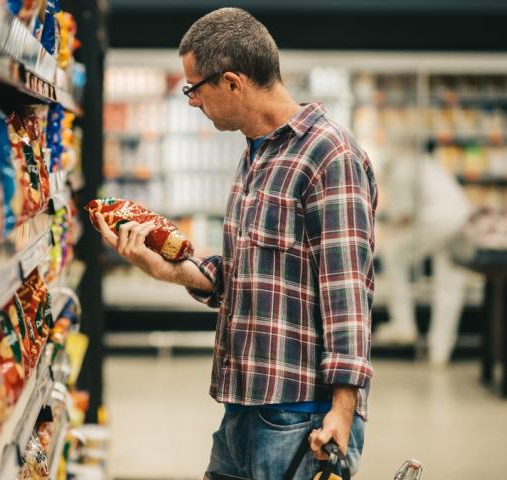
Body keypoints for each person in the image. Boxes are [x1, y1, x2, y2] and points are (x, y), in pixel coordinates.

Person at [94, 8, 377, 480]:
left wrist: (344, 410)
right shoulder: (258, 154)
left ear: (231, 83)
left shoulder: (329, 155)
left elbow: (347, 293)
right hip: (244, 405)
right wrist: (167, 268)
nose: (190, 102)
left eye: (193, 89)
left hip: (300, 414)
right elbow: (245, 276)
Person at [375, 149, 471, 366]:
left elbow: (404, 216)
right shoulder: (425, 163)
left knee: (393, 256)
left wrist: (381, 224)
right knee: (449, 286)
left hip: (435, 220)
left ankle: (404, 324)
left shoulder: (400, 170)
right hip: (461, 219)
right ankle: (440, 352)